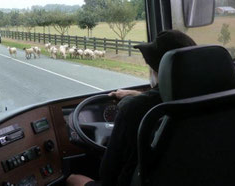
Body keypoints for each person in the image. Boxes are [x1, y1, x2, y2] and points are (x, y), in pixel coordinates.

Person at [67, 30, 197, 186]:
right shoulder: (218, 100)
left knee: (73, 179)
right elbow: (162, 97)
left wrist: (137, 101)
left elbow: (108, 175)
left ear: (159, 71)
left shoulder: (134, 109)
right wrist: (138, 94)